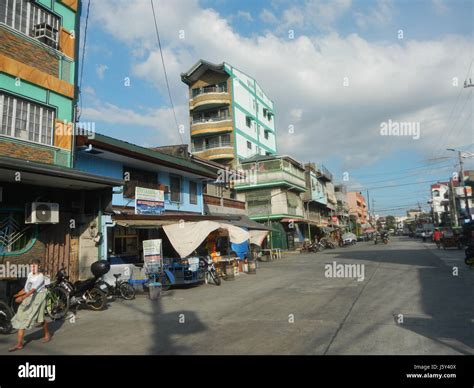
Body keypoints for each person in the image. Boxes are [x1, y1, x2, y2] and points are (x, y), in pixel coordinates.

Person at [9, 258, 50, 352]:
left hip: (39, 298)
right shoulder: (30, 274)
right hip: (30, 297)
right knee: (22, 317)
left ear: (39, 266)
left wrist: (22, 298)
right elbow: (27, 288)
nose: (33, 268)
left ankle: (47, 333)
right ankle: (19, 344)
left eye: (34, 266)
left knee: (40, 318)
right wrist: (18, 294)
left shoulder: (40, 276)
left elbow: (33, 290)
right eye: (31, 266)